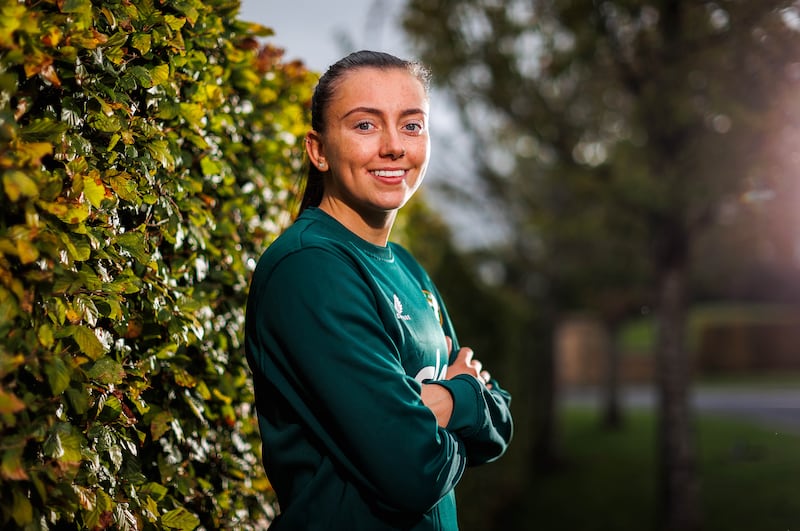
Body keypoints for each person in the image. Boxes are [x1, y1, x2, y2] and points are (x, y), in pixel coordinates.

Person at [245, 50, 513, 530]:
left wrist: (444, 400)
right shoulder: (309, 269)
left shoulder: (407, 268)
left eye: (411, 125)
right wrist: (463, 398)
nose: (394, 146)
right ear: (318, 150)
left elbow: (502, 420)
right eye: (365, 125)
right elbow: (414, 470)